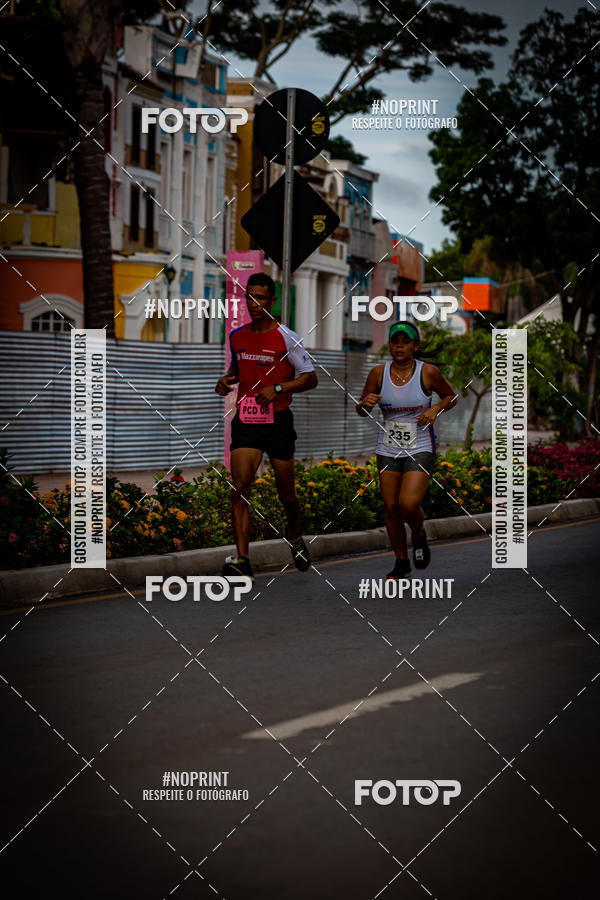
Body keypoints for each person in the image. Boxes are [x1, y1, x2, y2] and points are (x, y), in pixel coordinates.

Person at [215, 273, 318, 579]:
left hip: (278, 421)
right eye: (250, 297)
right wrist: (226, 381)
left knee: (286, 493)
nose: (254, 303)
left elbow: (310, 377)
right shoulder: (237, 336)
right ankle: (242, 559)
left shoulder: (287, 336)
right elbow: (238, 368)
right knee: (240, 487)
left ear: (272, 301)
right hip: (247, 419)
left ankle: (294, 533)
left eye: (261, 298)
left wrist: (279, 389)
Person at [356, 321, 457, 579]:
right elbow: (362, 408)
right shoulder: (378, 373)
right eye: (394, 341)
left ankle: (419, 533)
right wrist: (365, 403)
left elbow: (451, 397)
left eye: (405, 341)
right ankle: (401, 562)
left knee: (408, 504)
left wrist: (435, 409)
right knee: (391, 507)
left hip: (420, 446)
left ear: (415, 345)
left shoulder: (428, 372)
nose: (399, 346)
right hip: (387, 447)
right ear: (389, 345)